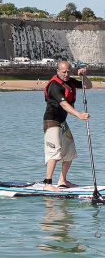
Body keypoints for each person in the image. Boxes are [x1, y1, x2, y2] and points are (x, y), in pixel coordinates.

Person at [43, 59, 91, 188]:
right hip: (51, 122)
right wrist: (79, 115)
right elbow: (64, 104)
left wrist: (84, 76)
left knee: (70, 151)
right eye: (63, 72)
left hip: (62, 122)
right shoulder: (54, 85)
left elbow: (88, 86)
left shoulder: (70, 82)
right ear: (58, 71)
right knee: (54, 151)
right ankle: (47, 183)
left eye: (68, 72)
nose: (66, 74)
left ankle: (62, 181)